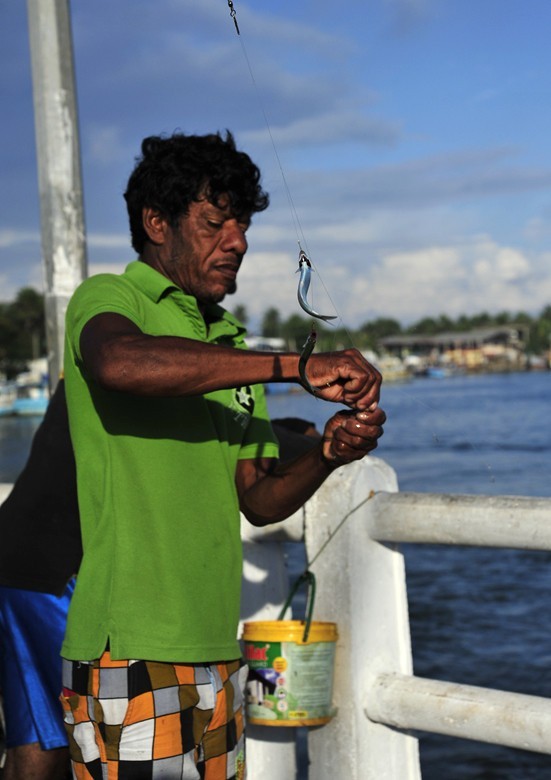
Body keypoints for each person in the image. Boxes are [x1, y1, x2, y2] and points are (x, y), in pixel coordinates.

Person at [60, 130, 385, 779]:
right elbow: (116, 362)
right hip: (131, 653)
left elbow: (257, 498)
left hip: (217, 649)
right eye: (214, 222)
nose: (235, 242)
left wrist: (327, 451)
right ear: (157, 223)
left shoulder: (229, 343)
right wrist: (291, 365)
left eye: (241, 226)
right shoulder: (110, 299)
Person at [0, 381, 79, 780]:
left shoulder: (97, 359)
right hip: (50, 571)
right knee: (68, 730)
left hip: (20, 562)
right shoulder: (124, 361)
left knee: (36, 730)